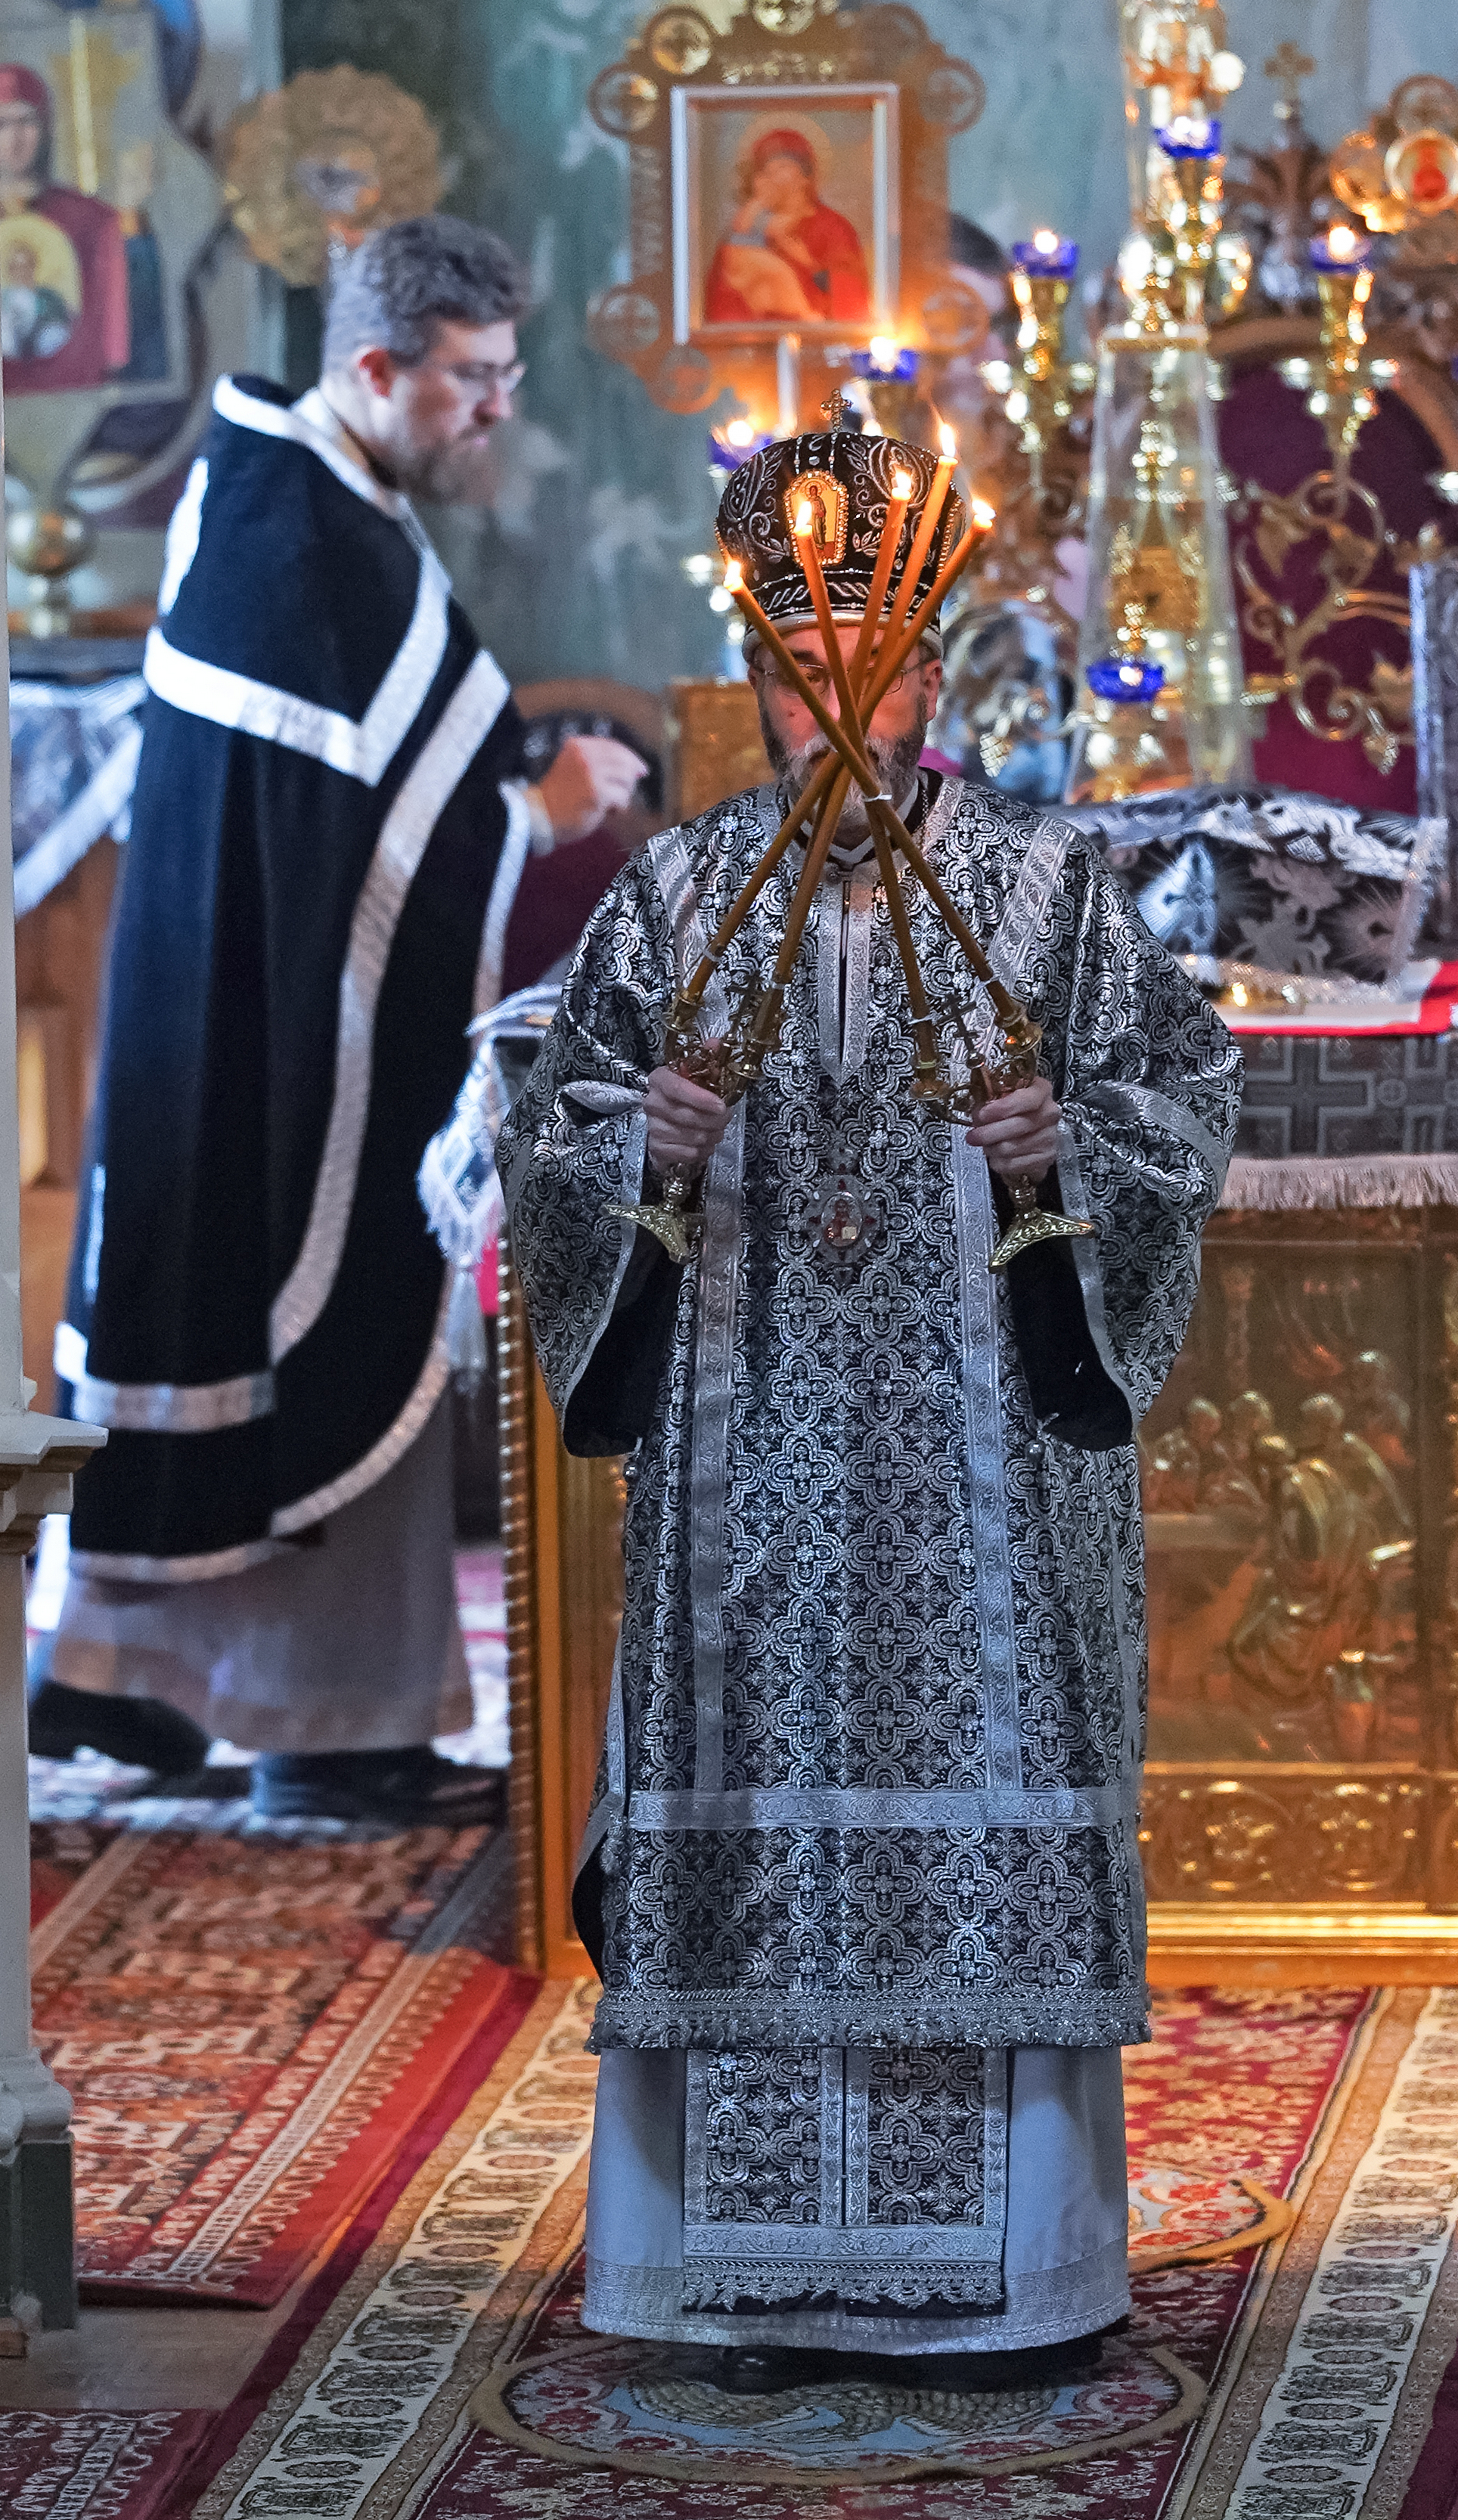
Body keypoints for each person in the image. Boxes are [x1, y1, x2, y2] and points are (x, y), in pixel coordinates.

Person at [498, 422, 1240, 2381]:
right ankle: (734, 2273)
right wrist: (624, 1145)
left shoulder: (1051, 893)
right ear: (754, 679)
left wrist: (1054, 1141)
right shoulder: (674, 903)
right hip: (748, 1480)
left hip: (981, 1493)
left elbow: (1179, 1110)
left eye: (876, 674)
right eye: (795, 675)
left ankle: (1010, 2277)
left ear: (933, 678)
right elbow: (551, 1142)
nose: (838, 710)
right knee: (746, 1824)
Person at [36, 214, 645, 1825]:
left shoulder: (317, 496)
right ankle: (324, 1721)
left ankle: (136, 1681)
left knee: (220, 1301)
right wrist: (545, 805)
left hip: (248, 1000)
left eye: (507, 379)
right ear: (377, 367)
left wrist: (512, 786)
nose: (494, 414)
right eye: (471, 381)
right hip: (281, 1016)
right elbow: (356, 834)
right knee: (302, 1294)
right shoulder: (299, 530)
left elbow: (372, 777)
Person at [0, 63, 129, 389]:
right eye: (2, 124)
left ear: (45, 127)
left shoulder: (93, 222)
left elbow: (107, 347)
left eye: (26, 122)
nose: (14, 140)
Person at [705, 127, 870, 326]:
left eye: (782, 167)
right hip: (755, 343)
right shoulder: (745, 230)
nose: (772, 176)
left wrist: (807, 264)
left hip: (816, 342)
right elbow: (721, 305)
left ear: (804, 177)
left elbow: (852, 300)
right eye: (765, 170)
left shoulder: (833, 228)